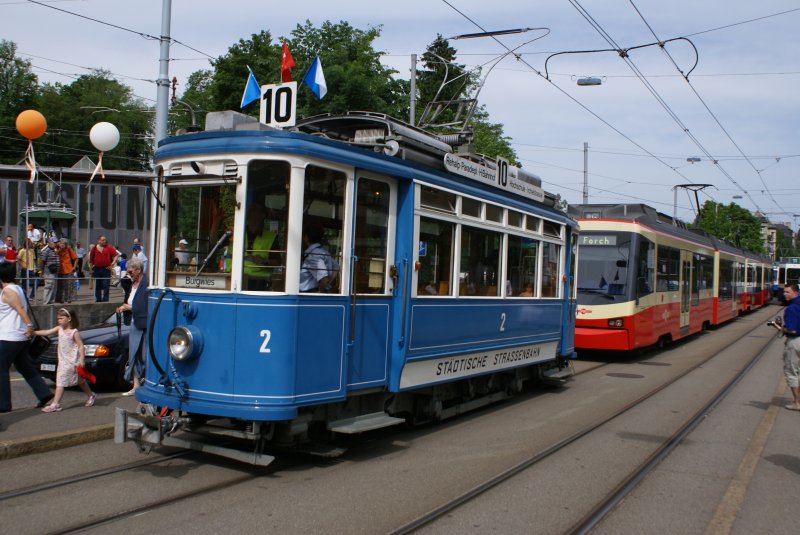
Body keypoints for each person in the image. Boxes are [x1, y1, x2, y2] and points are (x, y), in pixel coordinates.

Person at [0, 262, 53, 412]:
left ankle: (3, 404)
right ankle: (43, 393)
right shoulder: (17, 288)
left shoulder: (8, 291)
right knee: (25, 367)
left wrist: (29, 326)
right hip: (19, 337)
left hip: (9, 336)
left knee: (1, 370)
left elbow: (20, 309)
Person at [32, 307, 96, 412]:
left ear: (69, 319)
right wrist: (34, 333)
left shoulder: (74, 332)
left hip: (73, 361)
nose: (59, 320)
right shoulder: (59, 329)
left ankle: (55, 404)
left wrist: (82, 359)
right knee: (76, 380)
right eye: (58, 318)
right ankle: (90, 395)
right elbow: (47, 332)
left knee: (67, 381)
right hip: (63, 361)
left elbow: (80, 346)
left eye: (61, 318)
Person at [116, 257, 148, 396]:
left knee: (145, 356)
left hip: (144, 323)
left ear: (138, 270)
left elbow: (146, 305)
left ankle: (146, 383)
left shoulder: (146, 283)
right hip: (135, 322)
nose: (129, 274)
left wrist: (129, 307)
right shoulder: (132, 284)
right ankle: (135, 385)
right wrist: (123, 308)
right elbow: (130, 300)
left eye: (130, 272)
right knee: (133, 354)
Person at [772, 283, 800, 411]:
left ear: (795, 292)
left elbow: (792, 330)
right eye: (784, 292)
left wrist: (778, 327)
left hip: (795, 342)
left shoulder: (791, 308)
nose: (784, 294)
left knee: (792, 372)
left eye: (788, 292)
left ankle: (797, 403)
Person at [243, 202, 279, 290]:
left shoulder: (271, 237)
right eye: (251, 214)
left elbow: (278, 262)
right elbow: (214, 243)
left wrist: (264, 261)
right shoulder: (236, 233)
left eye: (256, 214)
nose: (253, 218)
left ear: (262, 217)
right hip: (235, 280)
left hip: (260, 283)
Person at [299, 223, 338, 292]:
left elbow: (324, 279)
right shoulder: (324, 252)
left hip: (309, 294)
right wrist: (329, 283)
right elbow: (336, 267)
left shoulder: (313, 255)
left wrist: (321, 292)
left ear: (307, 237)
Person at [88, 235, 118, 302]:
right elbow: (91, 260)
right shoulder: (94, 248)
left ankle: (105, 300)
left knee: (106, 285)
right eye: (103, 240)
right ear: (99, 241)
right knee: (97, 285)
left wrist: (112, 264)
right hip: (96, 269)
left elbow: (116, 255)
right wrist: (90, 270)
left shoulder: (108, 247)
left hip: (106, 269)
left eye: (105, 240)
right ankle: (98, 299)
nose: (105, 241)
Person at [39, 237, 60, 305]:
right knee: (49, 286)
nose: (55, 244)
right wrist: (41, 271)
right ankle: (46, 302)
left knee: (54, 287)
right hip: (49, 272)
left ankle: (51, 301)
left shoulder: (54, 250)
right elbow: (42, 261)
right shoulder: (46, 250)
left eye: (56, 243)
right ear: (49, 243)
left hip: (55, 271)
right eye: (54, 242)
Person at [56, 238, 77, 304]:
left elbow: (76, 258)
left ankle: (69, 299)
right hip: (60, 270)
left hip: (69, 270)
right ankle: (61, 299)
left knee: (69, 285)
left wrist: (74, 267)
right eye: (61, 243)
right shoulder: (58, 251)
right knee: (61, 286)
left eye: (63, 243)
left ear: (66, 244)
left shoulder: (69, 250)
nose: (62, 245)